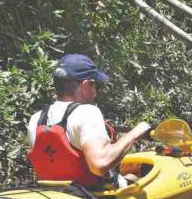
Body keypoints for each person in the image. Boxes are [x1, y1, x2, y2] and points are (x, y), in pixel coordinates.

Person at [27, 54, 152, 188]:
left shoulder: (36, 119)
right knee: (138, 176)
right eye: (94, 85)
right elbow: (100, 164)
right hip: (90, 195)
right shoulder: (87, 112)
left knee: (130, 172)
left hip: (54, 195)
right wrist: (136, 132)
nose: (95, 93)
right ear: (85, 85)